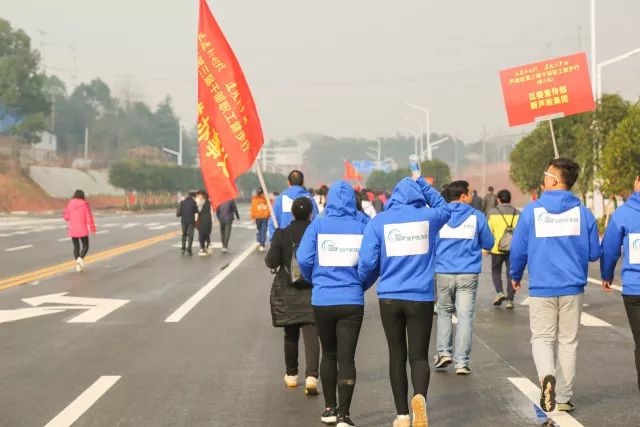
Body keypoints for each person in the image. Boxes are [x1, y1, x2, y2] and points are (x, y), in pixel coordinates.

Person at [358, 176, 452, 427]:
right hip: (420, 297)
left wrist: (362, 283)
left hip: (389, 297)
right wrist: (424, 184)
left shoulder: (379, 222)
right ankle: (419, 397)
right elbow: (445, 208)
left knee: (396, 355)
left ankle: (402, 415)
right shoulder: (428, 219)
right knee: (419, 356)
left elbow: (367, 261)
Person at [510, 158, 601, 413]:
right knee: (568, 342)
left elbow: (518, 250)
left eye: (546, 173)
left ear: (554, 180)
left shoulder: (531, 211)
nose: (544, 177)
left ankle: (546, 376)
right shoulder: (583, 213)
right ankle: (563, 397)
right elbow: (594, 253)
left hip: (541, 287)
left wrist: (515, 275)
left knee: (542, 338)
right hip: (573, 288)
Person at [297, 181, 373, 427]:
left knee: (328, 353)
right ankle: (344, 415)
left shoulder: (318, 224)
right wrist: (361, 283)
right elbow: (371, 261)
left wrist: (315, 279)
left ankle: (329, 408)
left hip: (322, 299)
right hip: (352, 299)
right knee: (347, 358)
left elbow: (303, 258)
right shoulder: (362, 225)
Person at [433, 181, 494, 375]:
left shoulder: (438, 216)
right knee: (465, 317)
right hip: (468, 274)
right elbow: (489, 243)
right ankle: (462, 363)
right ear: (463, 196)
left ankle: (444, 353)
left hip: (443, 272)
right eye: (469, 193)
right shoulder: (477, 216)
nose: (470, 196)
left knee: (444, 312)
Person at [265, 197, 320, 396]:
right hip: (312, 289)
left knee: (290, 333)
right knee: (312, 333)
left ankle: (292, 375)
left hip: (288, 290)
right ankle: (312, 376)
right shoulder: (317, 233)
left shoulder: (282, 233)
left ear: (292, 213)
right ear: (311, 214)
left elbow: (271, 262)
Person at [600, 174, 640, 391]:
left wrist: (607, 275)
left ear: (637, 181)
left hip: (635, 290)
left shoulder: (624, 213)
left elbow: (610, 249)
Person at [487, 189, 520, 308]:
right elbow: (521, 232)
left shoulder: (492, 212)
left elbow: (488, 231)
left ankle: (500, 292)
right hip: (513, 249)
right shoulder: (517, 213)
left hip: (497, 248)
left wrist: (485, 249)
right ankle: (510, 300)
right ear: (509, 199)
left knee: (496, 271)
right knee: (511, 273)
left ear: (498, 200)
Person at [268, 170, 319, 240]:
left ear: (288, 182)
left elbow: (273, 222)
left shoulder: (281, 198)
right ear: (303, 183)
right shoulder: (309, 198)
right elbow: (316, 221)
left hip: (285, 240)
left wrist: (275, 240)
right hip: (305, 240)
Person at [63, 189, 96, 272]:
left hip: (73, 228)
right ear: (82, 196)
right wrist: (92, 228)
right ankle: (80, 259)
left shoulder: (70, 203)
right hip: (82, 228)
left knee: (76, 247)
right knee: (85, 246)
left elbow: (66, 217)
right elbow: (89, 217)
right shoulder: (85, 204)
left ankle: (78, 264)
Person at [177, 191, 198, 256]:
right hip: (191, 221)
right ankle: (189, 250)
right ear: (193, 196)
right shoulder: (194, 203)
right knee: (190, 235)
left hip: (183, 221)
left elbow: (179, 213)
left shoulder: (182, 202)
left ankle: (183, 248)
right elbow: (196, 211)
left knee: (184, 234)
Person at [250, 188, 270, 252]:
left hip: (261, 217)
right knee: (261, 230)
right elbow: (253, 208)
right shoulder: (265, 199)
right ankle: (260, 242)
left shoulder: (256, 199)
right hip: (261, 217)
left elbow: (252, 208)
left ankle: (261, 243)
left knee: (262, 230)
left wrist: (252, 217)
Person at [195, 191, 213, 256]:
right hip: (209, 220)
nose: (198, 196)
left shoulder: (201, 202)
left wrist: (197, 203)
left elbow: (198, 210)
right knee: (207, 234)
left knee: (201, 234)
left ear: (202, 195)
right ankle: (208, 245)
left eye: (199, 195)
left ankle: (202, 248)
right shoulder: (209, 202)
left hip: (202, 221)